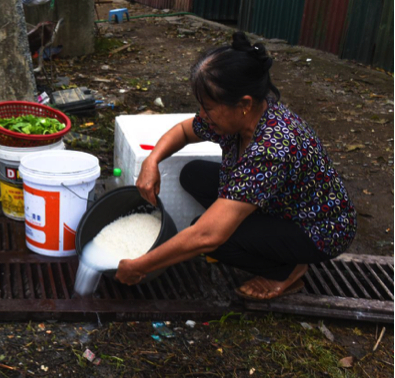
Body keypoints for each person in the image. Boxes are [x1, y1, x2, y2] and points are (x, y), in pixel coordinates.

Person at [115, 32, 356, 300]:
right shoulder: (241, 116)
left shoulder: (271, 149)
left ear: (244, 104)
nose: (202, 115)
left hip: (317, 228)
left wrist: (140, 265)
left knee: (215, 241)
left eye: (208, 107)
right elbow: (184, 131)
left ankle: (287, 270)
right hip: (280, 202)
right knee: (193, 174)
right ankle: (257, 232)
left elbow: (208, 236)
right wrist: (152, 160)